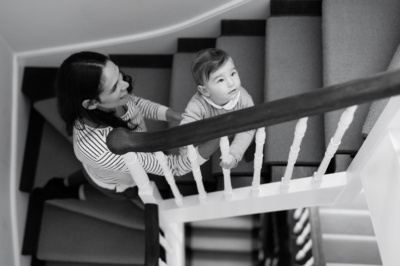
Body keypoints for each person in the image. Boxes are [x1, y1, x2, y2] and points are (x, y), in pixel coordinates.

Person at [47, 51, 219, 200]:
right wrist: (220, 133)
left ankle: (64, 182)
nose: (126, 85)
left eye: (119, 74)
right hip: (116, 183)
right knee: (103, 190)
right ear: (91, 103)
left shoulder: (109, 101)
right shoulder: (104, 149)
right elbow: (176, 167)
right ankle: (67, 191)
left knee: (89, 173)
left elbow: (136, 104)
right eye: (114, 87)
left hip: (97, 167)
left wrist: (173, 114)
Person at [179, 48, 255, 169]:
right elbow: (185, 129)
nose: (231, 83)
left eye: (233, 73)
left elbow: (247, 130)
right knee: (218, 140)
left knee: (249, 137)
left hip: (240, 126)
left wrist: (234, 154)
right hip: (215, 130)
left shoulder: (244, 100)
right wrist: (185, 149)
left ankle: (249, 149)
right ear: (205, 91)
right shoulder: (198, 105)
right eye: (220, 80)